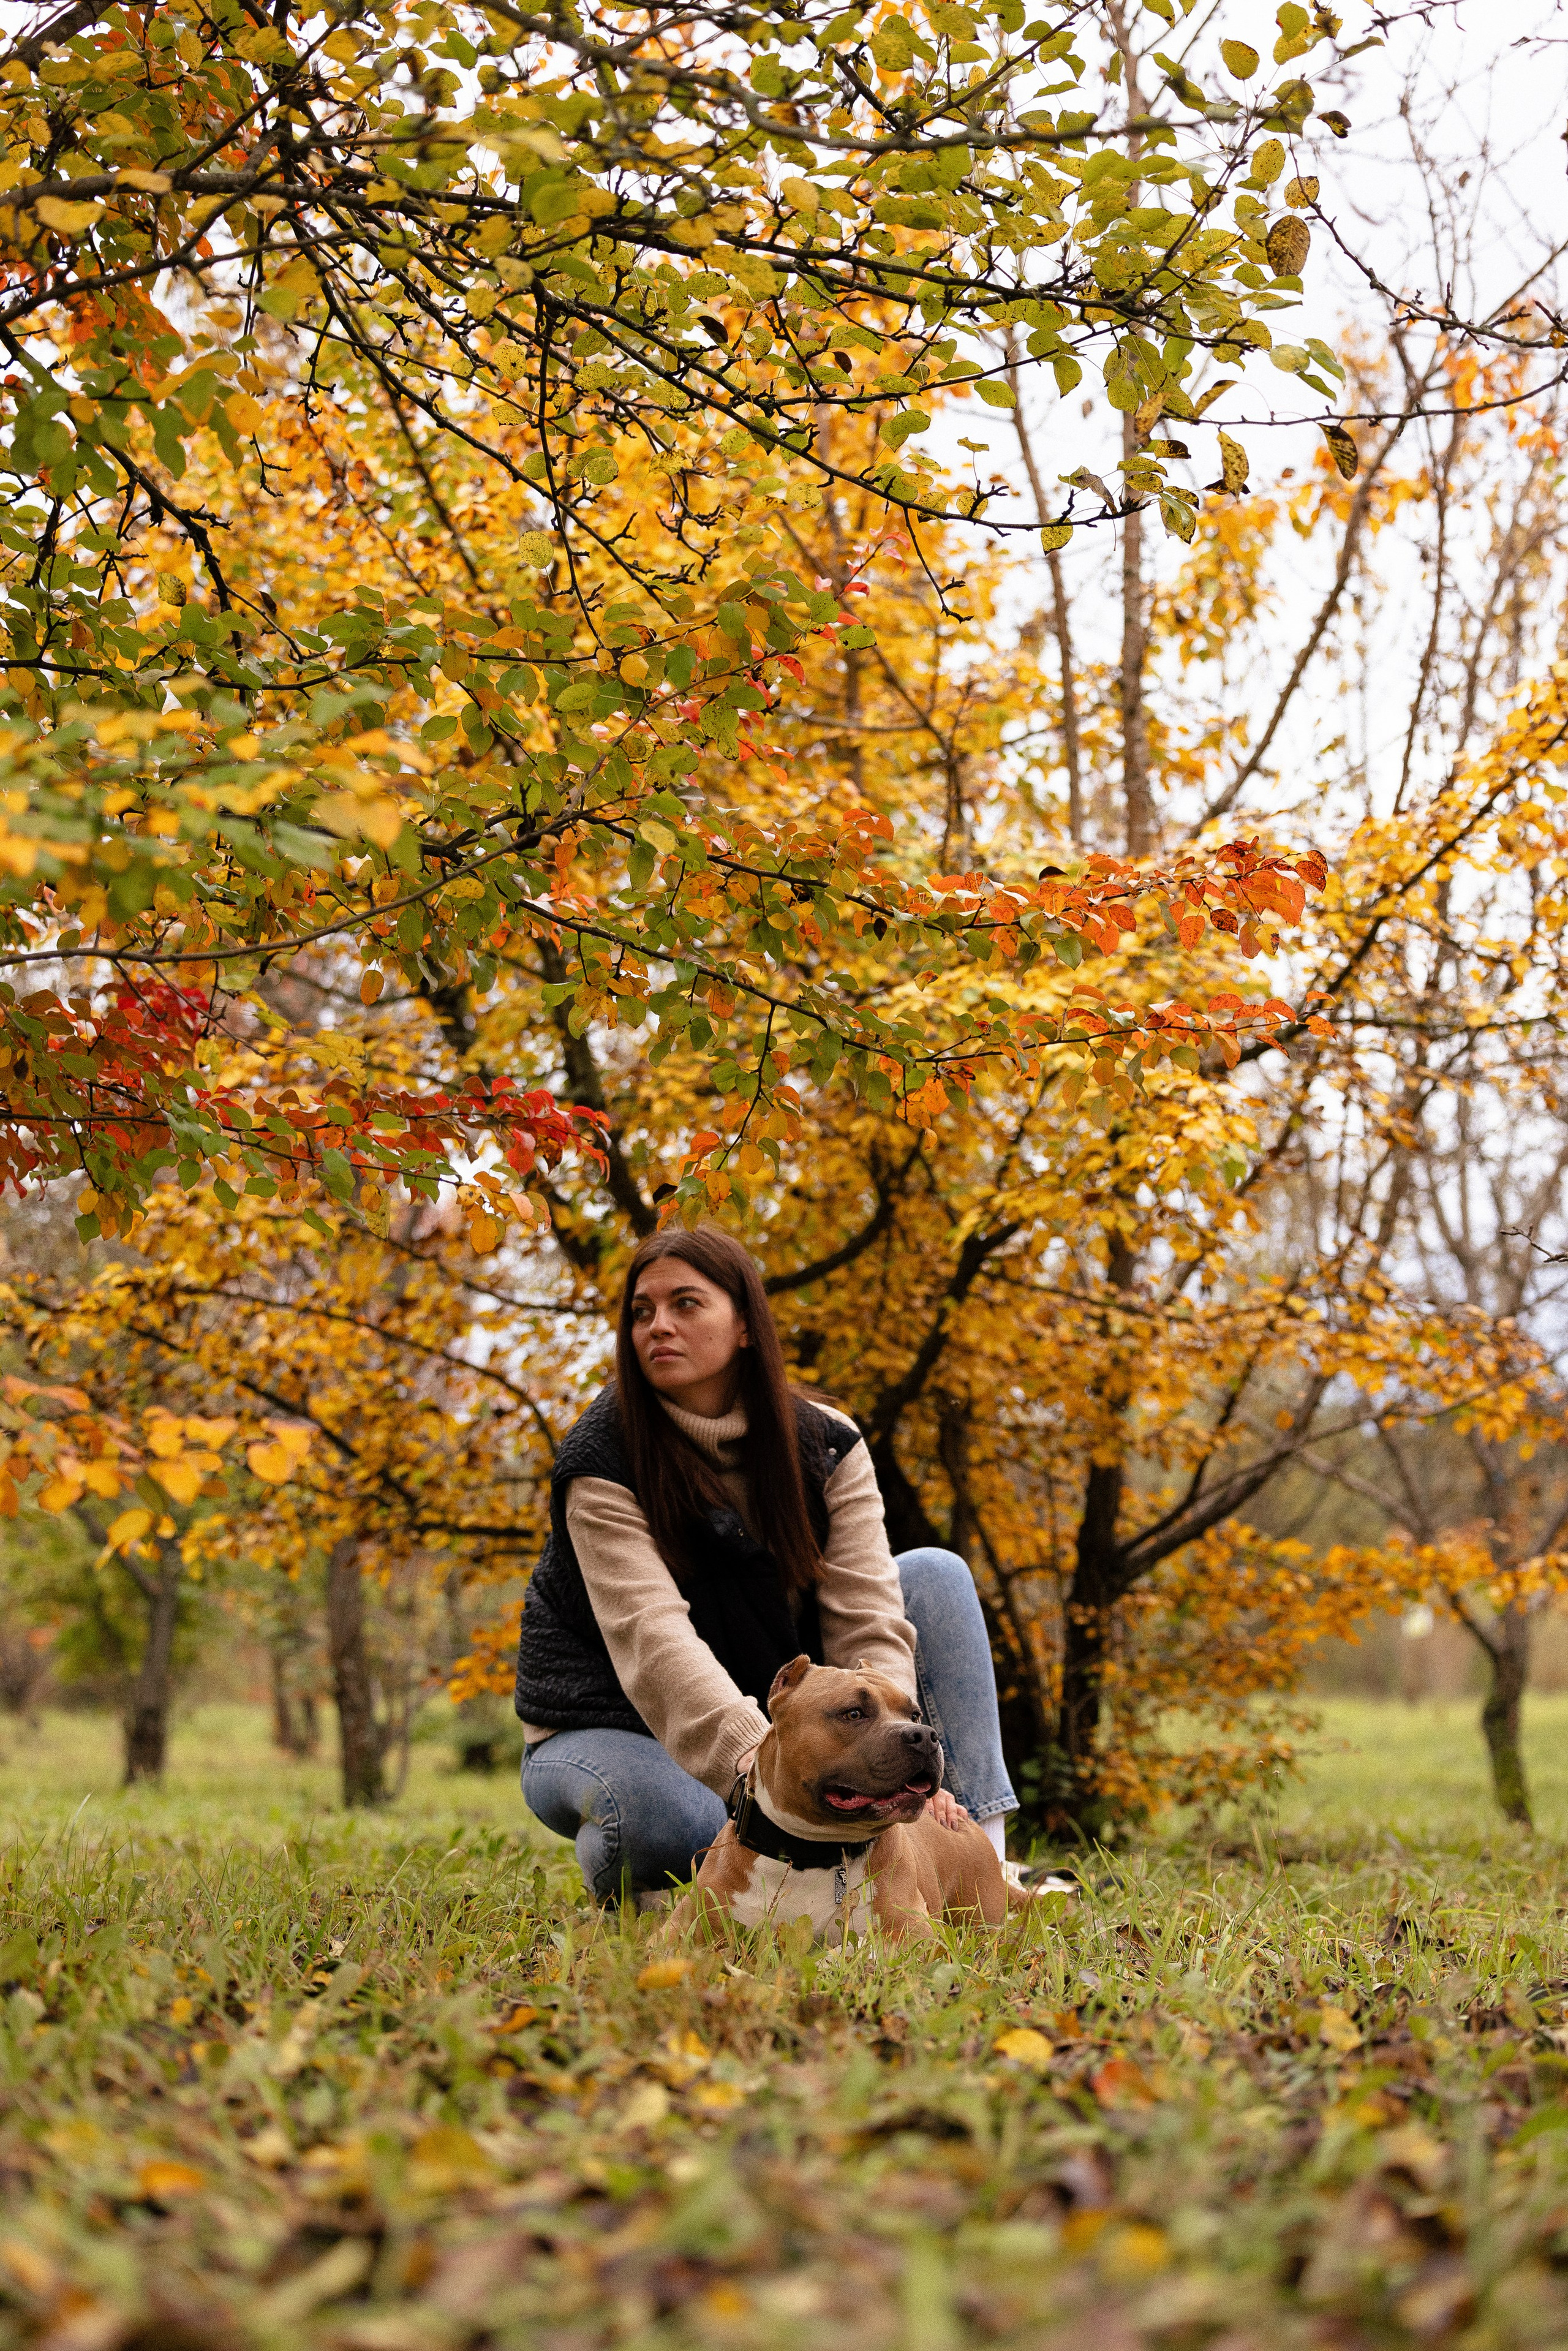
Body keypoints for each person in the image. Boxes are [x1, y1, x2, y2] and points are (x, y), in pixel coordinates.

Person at [514, 1224, 1021, 1904]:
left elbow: (867, 1618)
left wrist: (897, 1761)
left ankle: (987, 1864)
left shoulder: (827, 1442)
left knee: (934, 1574)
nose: (657, 1326)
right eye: (641, 1311)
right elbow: (652, 1640)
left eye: (685, 1304)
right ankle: (657, 1891)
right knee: (669, 1820)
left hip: (774, 1715)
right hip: (608, 1721)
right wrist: (753, 1760)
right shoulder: (600, 1462)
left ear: (746, 1325)